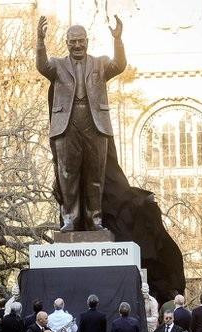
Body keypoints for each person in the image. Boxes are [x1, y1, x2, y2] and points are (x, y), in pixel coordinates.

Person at [36, 14, 126, 231]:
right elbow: (41, 66)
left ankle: (95, 220)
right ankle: (70, 219)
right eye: (73, 41)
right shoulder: (57, 66)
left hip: (95, 125)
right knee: (68, 174)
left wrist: (117, 40)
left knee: (95, 175)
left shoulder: (101, 63)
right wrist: (40, 41)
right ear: (67, 43)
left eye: (81, 40)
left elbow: (120, 65)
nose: (77, 45)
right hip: (67, 125)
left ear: (87, 41)